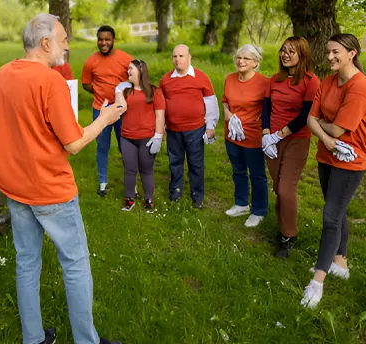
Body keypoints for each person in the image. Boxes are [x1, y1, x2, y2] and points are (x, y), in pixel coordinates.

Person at [0, 14, 126, 344]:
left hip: (14, 186)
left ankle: (33, 343)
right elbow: (75, 143)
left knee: (27, 261)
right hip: (50, 190)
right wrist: (105, 119)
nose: (67, 45)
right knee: (76, 264)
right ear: (45, 43)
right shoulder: (50, 81)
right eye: (64, 38)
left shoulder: (2, 74)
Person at [301, 34, 366, 309]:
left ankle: (317, 282)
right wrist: (328, 139)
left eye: (335, 52)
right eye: (328, 52)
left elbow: (338, 129)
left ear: (352, 53)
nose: (329, 57)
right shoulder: (328, 81)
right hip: (326, 156)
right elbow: (311, 119)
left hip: (349, 161)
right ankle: (340, 262)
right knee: (337, 210)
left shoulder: (359, 88)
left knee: (331, 217)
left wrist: (327, 132)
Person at [261, 36, 320, 258]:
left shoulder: (311, 81)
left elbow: (305, 115)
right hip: (271, 139)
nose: (285, 54)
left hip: (296, 138)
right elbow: (265, 109)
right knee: (278, 188)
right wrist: (266, 135)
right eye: (283, 50)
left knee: (286, 189)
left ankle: (289, 236)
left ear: (302, 55)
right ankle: (282, 229)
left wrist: (279, 134)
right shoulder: (274, 80)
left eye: (291, 51)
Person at [159, 44, 219, 208]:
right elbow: (160, 106)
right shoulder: (165, 81)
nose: (177, 59)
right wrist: (160, 127)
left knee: (195, 163)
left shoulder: (201, 77)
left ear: (189, 57)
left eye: (181, 56)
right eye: (175, 56)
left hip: (195, 129)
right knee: (175, 162)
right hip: (173, 130)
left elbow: (211, 103)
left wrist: (210, 125)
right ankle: (175, 192)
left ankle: (197, 196)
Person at [81, 25, 134, 197]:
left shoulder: (126, 59)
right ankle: (103, 183)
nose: (103, 43)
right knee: (102, 147)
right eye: (100, 39)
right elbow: (85, 84)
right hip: (100, 110)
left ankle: (130, 184)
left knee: (125, 147)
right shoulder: (91, 61)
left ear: (113, 40)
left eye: (107, 39)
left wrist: (124, 95)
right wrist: (98, 92)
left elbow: (135, 80)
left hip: (121, 110)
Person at [222, 45, 270, 227]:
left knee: (257, 174)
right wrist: (227, 113)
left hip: (253, 136)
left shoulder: (264, 84)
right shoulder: (230, 79)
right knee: (238, 170)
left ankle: (259, 210)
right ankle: (241, 203)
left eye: (246, 59)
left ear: (255, 63)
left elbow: (269, 109)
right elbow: (225, 101)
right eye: (238, 57)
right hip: (231, 135)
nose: (240, 61)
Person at [114, 60, 166, 212]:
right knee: (129, 169)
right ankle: (129, 200)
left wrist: (158, 136)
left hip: (147, 138)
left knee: (146, 170)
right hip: (127, 137)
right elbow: (120, 109)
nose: (127, 71)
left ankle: (149, 200)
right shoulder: (125, 90)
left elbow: (160, 116)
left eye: (130, 68)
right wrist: (118, 91)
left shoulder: (154, 91)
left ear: (140, 70)